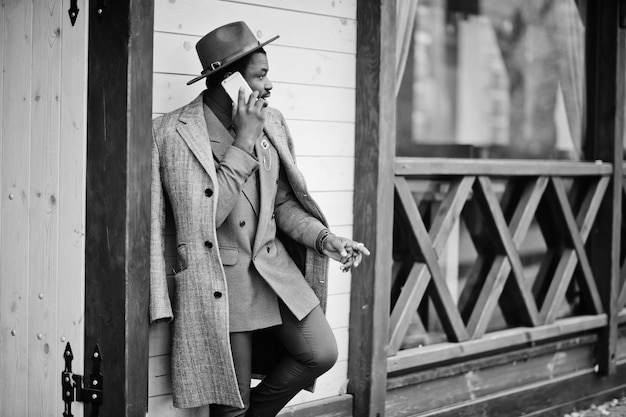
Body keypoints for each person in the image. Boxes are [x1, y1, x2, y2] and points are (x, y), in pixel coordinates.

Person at [150, 21, 370, 417]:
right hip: (222, 286)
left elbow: (282, 204)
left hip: (274, 273)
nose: (269, 86)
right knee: (231, 404)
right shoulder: (174, 133)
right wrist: (243, 142)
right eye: (261, 75)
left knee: (321, 352)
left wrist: (326, 239)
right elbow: (201, 220)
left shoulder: (275, 122)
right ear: (231, 79)